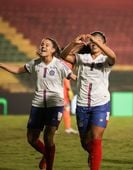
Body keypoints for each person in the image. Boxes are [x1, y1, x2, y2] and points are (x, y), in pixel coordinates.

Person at [0, 37, 76, 170]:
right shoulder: (35, 63)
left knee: (48, 137)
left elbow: (73, 76)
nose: (43, 46)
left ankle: (49, 167)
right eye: (41, 44)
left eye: (46, 45)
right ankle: (48, 154)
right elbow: (18, 70)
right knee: (31, 139)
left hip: (55, 104)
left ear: (53, 50)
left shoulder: (59, 64)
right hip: (38, 104)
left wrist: (85, 79)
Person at [60, 31, 116, 170]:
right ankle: (93, 155)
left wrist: (95, 41)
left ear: (103, 44)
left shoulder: (105, 60)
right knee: (85, 143)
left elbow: (113, 56)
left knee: (96, 138)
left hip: (101, 104)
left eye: (98, 40)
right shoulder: (82, 58)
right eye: (92, 40)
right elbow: (63, 56)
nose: (94, 42)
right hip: (82, 105)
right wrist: (73, 42)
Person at [63, 61, 78, 134]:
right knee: (66, 110)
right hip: (63, 96)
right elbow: (67, 85)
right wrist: (70, 92)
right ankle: (68, 128)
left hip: (58, 95)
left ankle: (52, 128)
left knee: (56, 112)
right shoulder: (66, 73)